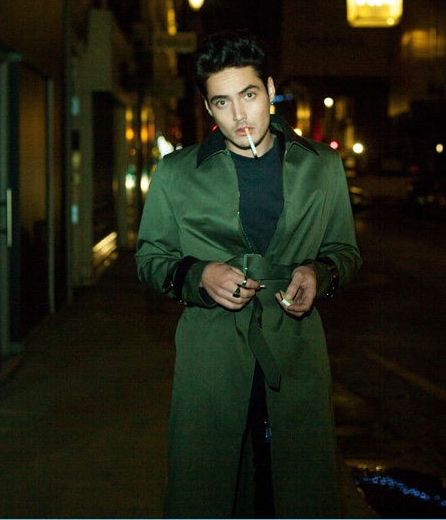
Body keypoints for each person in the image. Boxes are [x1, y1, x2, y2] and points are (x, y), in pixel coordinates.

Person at [135, 30, 362, 519]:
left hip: (296, 351)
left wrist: (319, 273)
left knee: (294, 487)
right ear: (207, 107)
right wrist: (198, 275)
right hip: (211, 356)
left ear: (270, 89)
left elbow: (345, 251)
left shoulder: (321, 167)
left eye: (249, 95)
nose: (239, 115)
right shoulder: (175, 173)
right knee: (210, 486)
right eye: (222, 102)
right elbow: (150, 258)